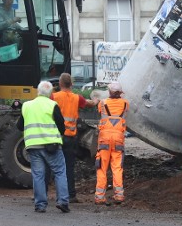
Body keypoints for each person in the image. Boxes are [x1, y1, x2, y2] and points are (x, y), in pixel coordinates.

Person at [17, 80, 71, 213]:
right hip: (51, 144)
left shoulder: (27, 106)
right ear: (51, 93)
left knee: (38, 175)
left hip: (33, 145)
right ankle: (63, 201)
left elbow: (19, 125)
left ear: (38, 91)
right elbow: (61, 126)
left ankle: (40, 205)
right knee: (59, 172)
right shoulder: (52, 105)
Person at [51, 73, 97, 203]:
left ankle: (45, 193)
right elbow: (90, 104)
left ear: (60, 84)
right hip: (70, 138)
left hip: (55, 137)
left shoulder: (53, 97)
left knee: (52, 165)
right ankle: (71, 195)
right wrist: (96, 101)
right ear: (71, 84)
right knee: (69, 167)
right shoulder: (77, 98)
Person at [94, 82, 129, 205]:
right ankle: (119, 195)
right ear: (120, 93)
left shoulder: (103, 103)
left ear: (109, 92)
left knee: (102, 167)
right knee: (117, 167)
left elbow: (100, 110)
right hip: (118, 138)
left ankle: (99, 196)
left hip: (104, 139)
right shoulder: (125, 103)